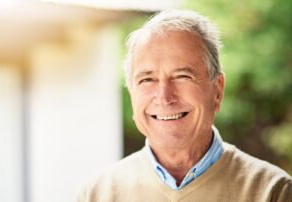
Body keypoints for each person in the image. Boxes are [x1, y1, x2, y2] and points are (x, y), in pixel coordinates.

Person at [78, 9, 292, 202]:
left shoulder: (272, 191)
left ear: (217, 90)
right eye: (147, 80)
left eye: (182, 76)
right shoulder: (97, 194)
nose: (164, 97)